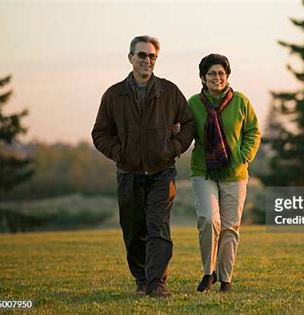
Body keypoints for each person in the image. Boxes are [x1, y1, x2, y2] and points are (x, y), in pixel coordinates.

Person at [91, 35, 194, 298]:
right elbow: (100, 133)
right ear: (130, 58)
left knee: (158, 225)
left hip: (163, 172)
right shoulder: (114, 94)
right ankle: (141, 279)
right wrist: (118, 153)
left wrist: (173, 148)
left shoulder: (170, 91)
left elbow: (189, 123)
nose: (147, 60)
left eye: (152, 56)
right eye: (142, 55)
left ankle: (156, 282)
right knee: (134, 229)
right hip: (129, 173)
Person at [187, 54, 261, 292]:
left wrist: (244, 156)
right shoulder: (194, 104)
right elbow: (184, 131)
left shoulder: (241, 101)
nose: (217, 77)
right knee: (209, 220)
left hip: (235, 173)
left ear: (227, 76)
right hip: (203, 172)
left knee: (230, 226)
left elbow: (253, 132)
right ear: (202, 77)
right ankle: (208, 273)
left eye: (221, 73)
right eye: (211, 73)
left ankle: (225, 278)